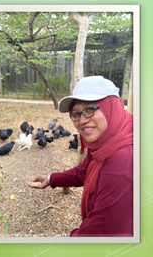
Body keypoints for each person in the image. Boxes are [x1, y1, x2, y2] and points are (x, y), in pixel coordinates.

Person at [28, 76, 133, 236]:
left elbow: (100, 234)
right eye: (75, 114)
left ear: (111, 106)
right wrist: (51, 179)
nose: (82, 121)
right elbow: (85, 170)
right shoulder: (105, 141)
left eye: (89, 109)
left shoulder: (123, 161)